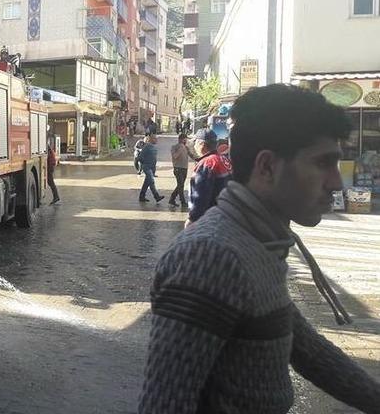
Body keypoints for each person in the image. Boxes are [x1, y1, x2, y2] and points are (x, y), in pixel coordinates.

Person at [139, 84, 380, 413]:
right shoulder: (211, 258)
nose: (337, 183)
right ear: (266, 167)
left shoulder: (261, 243)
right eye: (324, 163)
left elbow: (307, 348)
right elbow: (164, 405)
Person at [187, 128, 232, 225]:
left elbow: (201, 195)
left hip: (209, 220)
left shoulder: (208, 163)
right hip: (224, 216)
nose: (194, 146)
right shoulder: (223, 159)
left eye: (195, 143)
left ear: (202, 144)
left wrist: (192, 219)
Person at [138, 135, 164, 203]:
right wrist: (145, 164)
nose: (156, 140)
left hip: (151, 168)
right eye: (155, 139)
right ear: (151, 139)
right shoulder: (146, 147)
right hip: (147, 167)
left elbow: (154, 159)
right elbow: (140, 157)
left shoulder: (153, 147)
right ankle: (156, 196)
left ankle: (142, 196)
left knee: (147, 182)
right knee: (151, 182)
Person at [168, 133, 190, 207]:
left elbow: (192, 155)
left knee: (180, 185)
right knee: (181, 185)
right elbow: (175, 156)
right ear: (180, 139)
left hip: (185, 168)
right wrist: (181, 148)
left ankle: (172, 199)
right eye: (184, 139)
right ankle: (183, 201)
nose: (185, 141)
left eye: (186, 140)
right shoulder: (174, 147)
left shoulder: (186, 147)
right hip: (178, 168)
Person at [46, 139, 60, 205]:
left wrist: (50, 168)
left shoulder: (48, 149)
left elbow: (49, 158)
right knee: (50, 182)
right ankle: (56, 196)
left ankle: (56, 197)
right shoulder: (48, 148)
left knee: (51, 182)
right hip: (50, 166)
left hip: (50, 167)